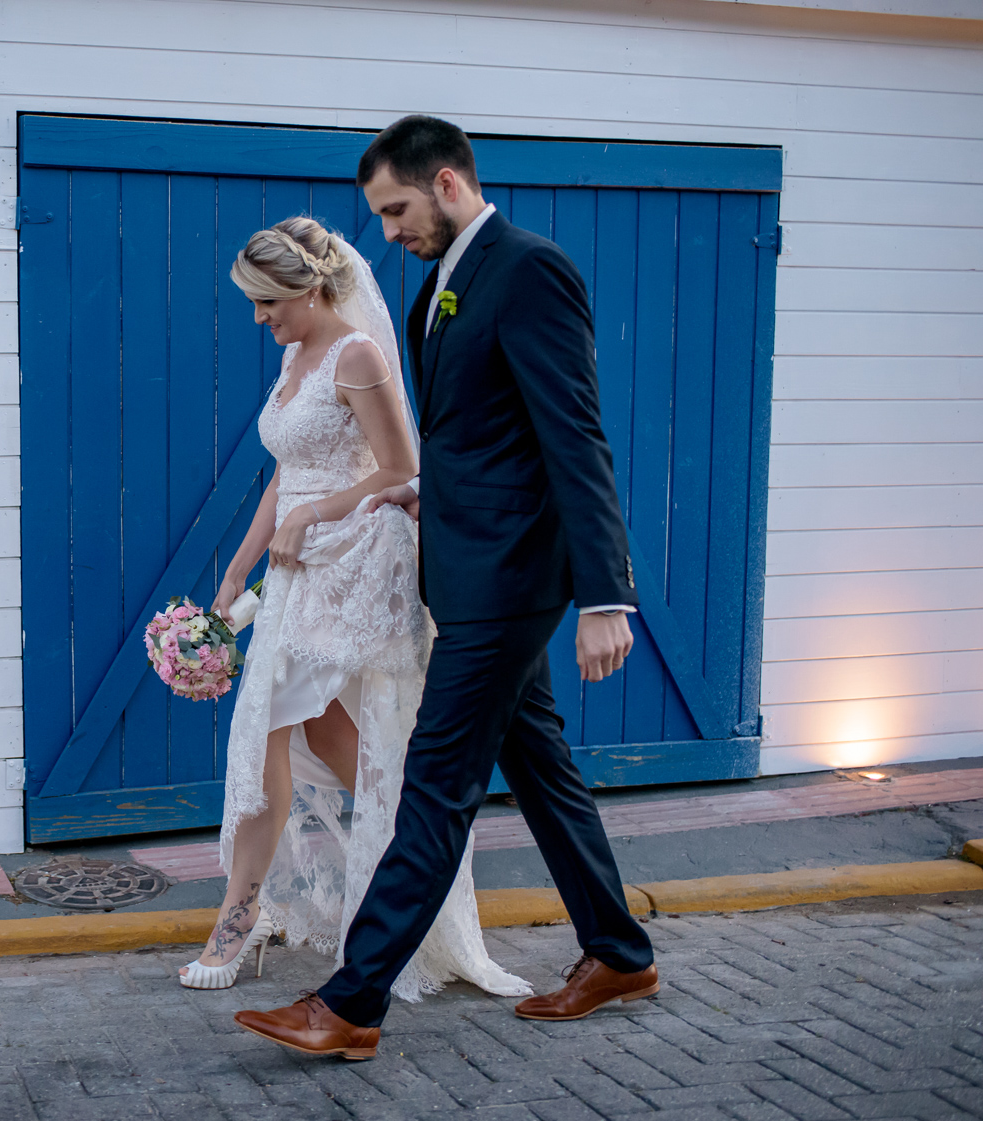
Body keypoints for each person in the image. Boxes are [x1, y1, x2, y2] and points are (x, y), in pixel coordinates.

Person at [234, 117, 658, 1059]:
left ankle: (351, 1004)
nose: (386, 232)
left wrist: (606, 596)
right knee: (540, 768)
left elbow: (574, 433)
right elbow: (480, 438)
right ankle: (620, 951)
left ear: (449, 183)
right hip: (467, 569)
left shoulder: (529, 270)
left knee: (433, 786)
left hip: (511, 580)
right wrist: (426, 494)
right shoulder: (441, 287)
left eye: (396, 209)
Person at [178, 216, 530, 1005]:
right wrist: (235, 567)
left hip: (350, 564)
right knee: (323, 733)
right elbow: (286, 473)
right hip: (294, 568)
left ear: (309, 288)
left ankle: (240, 917)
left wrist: (312, 515)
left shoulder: (357, 354)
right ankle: (416, 859)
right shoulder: (296, 355)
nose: (259, 318)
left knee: (266, 729)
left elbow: (402, 467)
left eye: (268, 302)